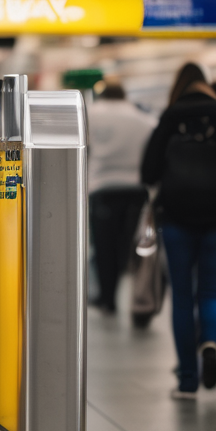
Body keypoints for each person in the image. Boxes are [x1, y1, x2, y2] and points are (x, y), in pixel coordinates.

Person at [141, 63, 216, 399]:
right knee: (212, 293)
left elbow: (149, 171)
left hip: (175, 219)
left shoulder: (171, 116)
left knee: (182, 298)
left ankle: (187, 380)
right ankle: (212, 341)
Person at [87, 77, 157, 313]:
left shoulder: (91, 114)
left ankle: (107, 298)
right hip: (135, 191)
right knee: (125, 245)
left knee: (103, 246)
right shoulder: (143, 119)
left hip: (101, 187)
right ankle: (127, 296)